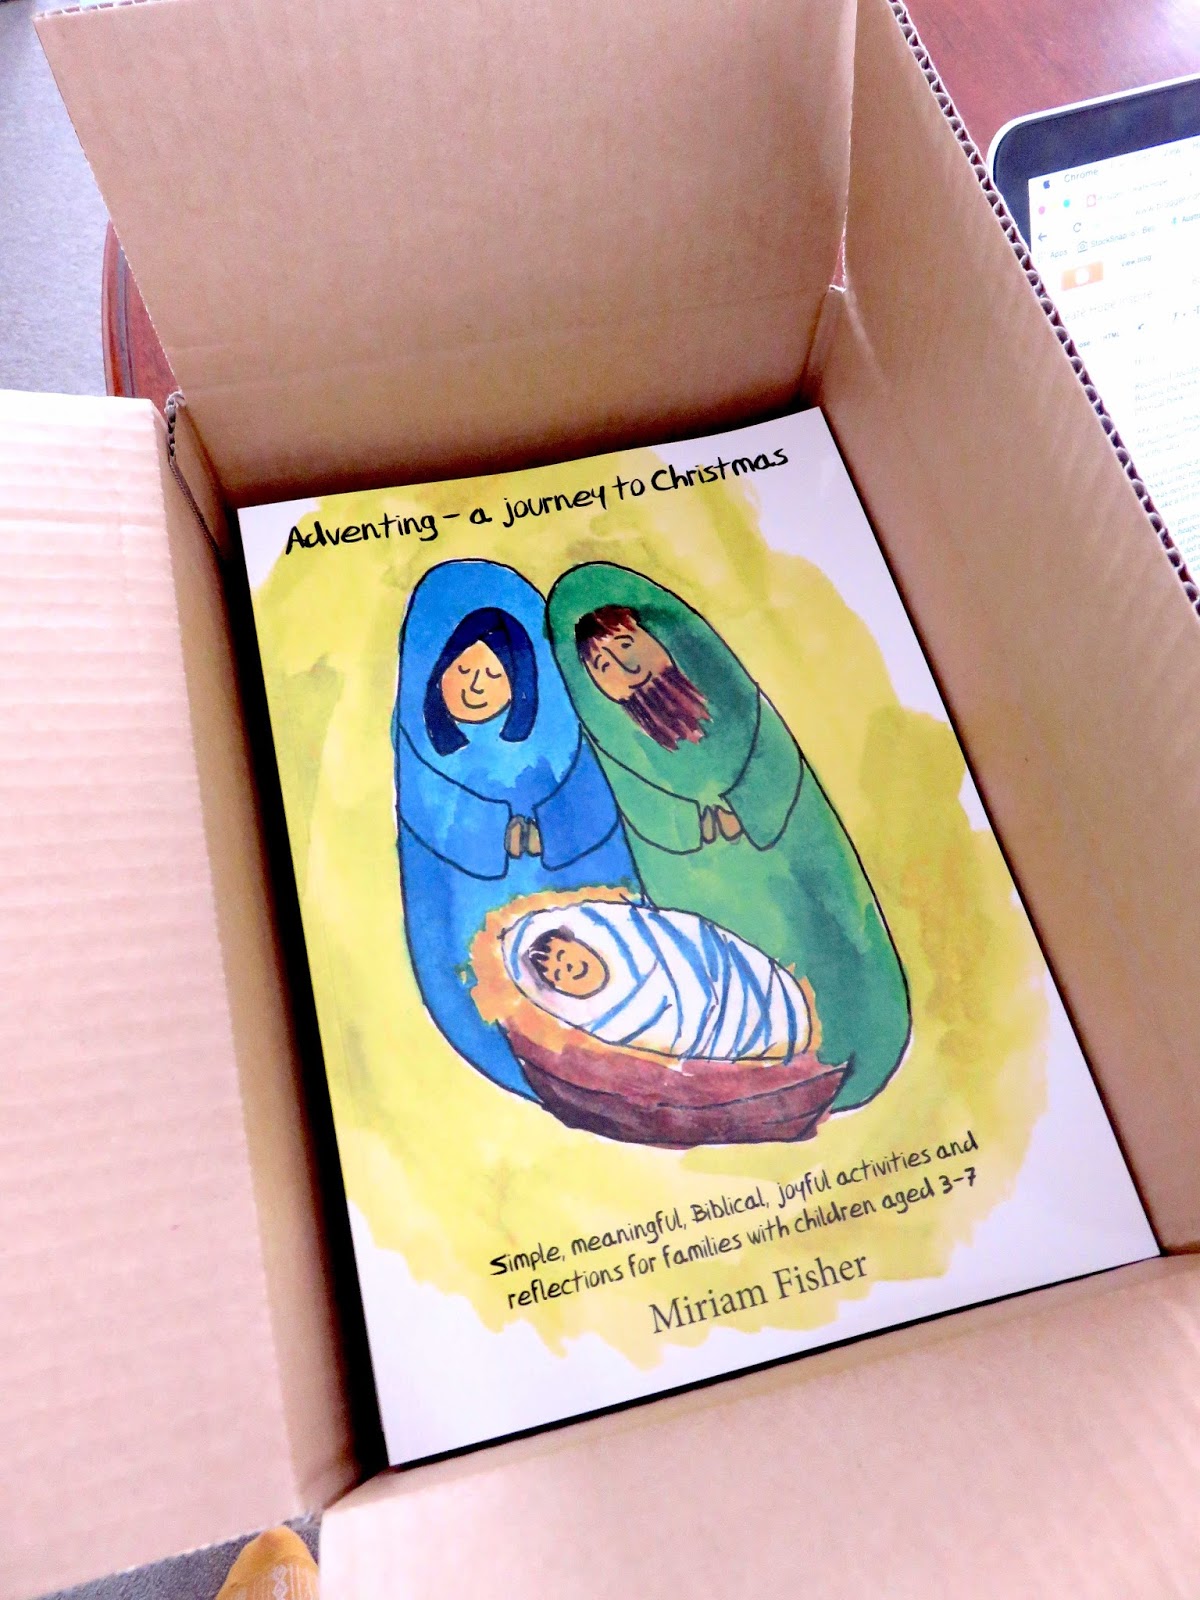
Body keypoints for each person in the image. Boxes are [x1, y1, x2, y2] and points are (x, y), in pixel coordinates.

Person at [546, 562, 911, 1111]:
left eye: (626, 644)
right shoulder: (620, 748)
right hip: (702, 883)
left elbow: (771, 757)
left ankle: (863, 1034)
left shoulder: (732, 703)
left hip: (782, 853)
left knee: (820, 932)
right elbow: (642, 805)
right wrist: (689, 822)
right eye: (602, 665)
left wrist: (746, 805)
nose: (625, 666)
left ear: (658, 638)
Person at [393, 560, 638, 1096]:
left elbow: (592, 814)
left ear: (519, 682)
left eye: (493, 675)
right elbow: (430, 827)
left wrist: (546, 828)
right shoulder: (424, 755)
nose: (475, 686)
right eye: (463, 670)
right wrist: (492, 831)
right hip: (474, 911)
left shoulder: (559, 748)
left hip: (571, 901)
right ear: (438, 671)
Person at [502, 897, 816, 1064]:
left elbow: (695, 943)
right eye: (557, 975)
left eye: (563, 955)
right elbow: (674, 1038)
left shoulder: (641, 939)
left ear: (577, 941)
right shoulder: (611, 1023)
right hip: (717, 1043)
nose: (568, 968)